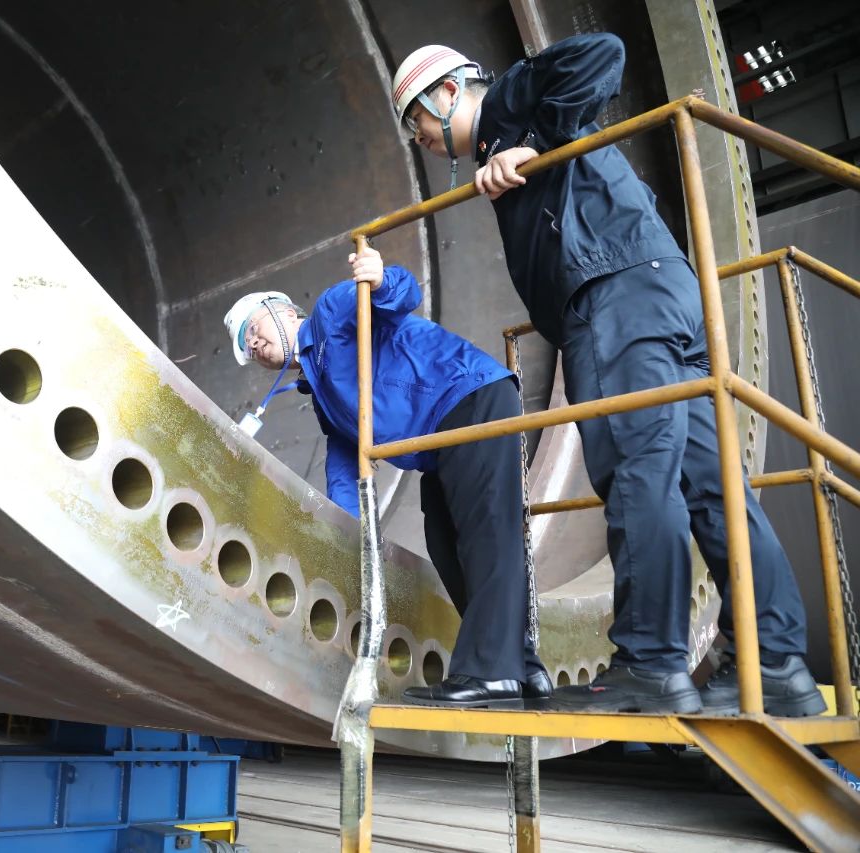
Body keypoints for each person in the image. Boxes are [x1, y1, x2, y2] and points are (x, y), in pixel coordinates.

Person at [388, 33, 825, 715]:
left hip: (614, 299)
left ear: (448, 92)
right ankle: (776, 661)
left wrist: (530, 142)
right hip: (665, 293)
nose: (420, 138)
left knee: (635, 470)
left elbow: (603, 53)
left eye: (416, 119)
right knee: (710, 486)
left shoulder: (510, 105)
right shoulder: (510, 132)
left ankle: (650, 663)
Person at [222, 247, 552, 708]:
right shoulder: (323, 394)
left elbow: (401, 294)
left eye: (253, 330)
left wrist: (379, 278)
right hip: (438, 443)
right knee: (446, 544)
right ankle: (523, 666)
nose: (254, 345)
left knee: (486, 533)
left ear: (285, 313)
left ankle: (491, 673)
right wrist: (350, 531)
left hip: (468, 397)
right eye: (248, 348)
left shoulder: (331, 313)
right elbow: (344, 464)